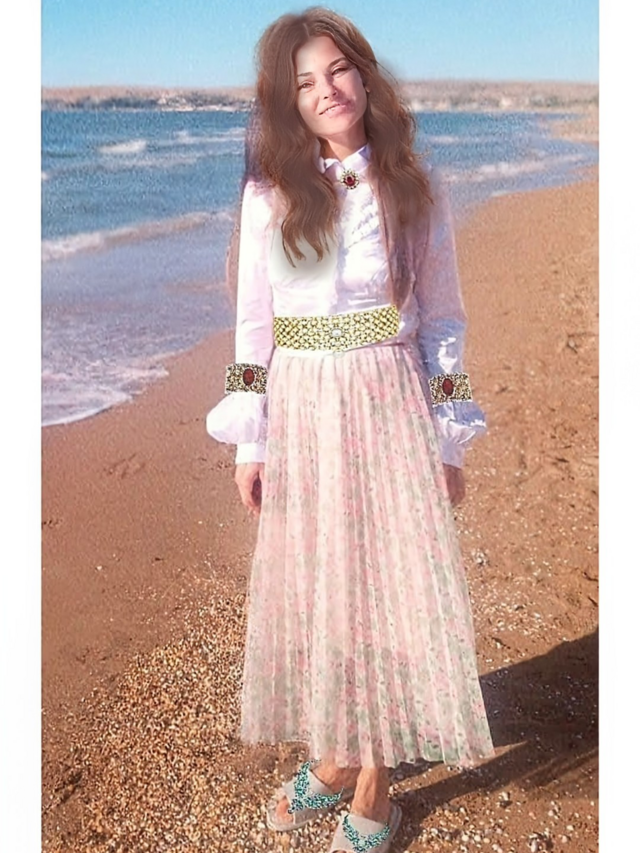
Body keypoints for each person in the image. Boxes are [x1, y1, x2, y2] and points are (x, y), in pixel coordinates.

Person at [206, 7, 494, 852]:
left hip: (388, 402)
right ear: (287, 102)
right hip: (301, 408)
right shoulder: (270, 195)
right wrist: (251, 441)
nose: (325, 90)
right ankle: (335, 753)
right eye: (304, 82)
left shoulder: (414, 188)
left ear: (363, 76)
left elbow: (444, 320)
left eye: (336, 70)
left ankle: (375, 779)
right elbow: (253, 331)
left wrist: (449, 435)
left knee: (381, 589)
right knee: (321, 587)